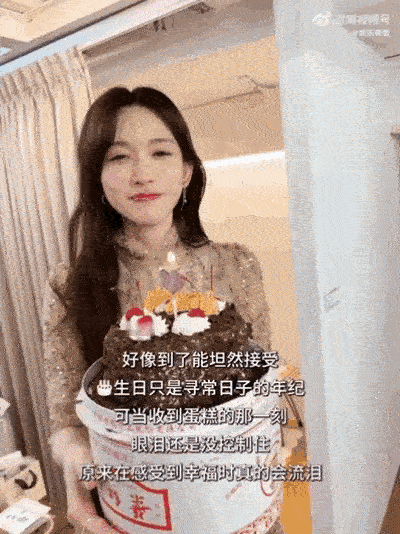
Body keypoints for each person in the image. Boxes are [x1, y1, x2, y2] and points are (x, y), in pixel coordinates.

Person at [43, 86, 281, 533]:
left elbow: (260, 386)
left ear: (187, 172)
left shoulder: (237, 265)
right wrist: (77, 489)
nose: (142, 174)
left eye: (160, 152)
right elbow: (67, 422)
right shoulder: (69, 284)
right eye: (119, 157)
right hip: (141, 508)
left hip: (232, 503)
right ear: (96, 176)